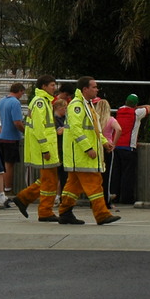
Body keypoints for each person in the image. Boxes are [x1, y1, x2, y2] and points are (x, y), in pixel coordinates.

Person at [57, 77, 120, 225]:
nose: (97, 89)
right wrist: (88, 148)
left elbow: (95, 130)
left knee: (73, 186)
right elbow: (76, 129)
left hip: (81, 156)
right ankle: (102, 214)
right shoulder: (77, 106)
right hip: (82, 155)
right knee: (94, 183)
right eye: (94, 87)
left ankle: (65, 212)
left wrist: (105, 143)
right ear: (85, 89)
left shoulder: (88, 105)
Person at [13, 74, 61, 222]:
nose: (55, 88)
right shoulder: (40, 102)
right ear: (44, 87)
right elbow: (39, 128)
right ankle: (44, 211)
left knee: (48, 179)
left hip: (47, 147)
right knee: (49, 180)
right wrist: (45, 149)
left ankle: (24, 198)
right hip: (45, 148)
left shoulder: (43, 101)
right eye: (52, 85)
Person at [111, 93, 150, 205]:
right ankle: (126, 198)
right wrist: (138, 107)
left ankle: (114, 196)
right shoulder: (137, 112)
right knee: (128, 174)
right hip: (129, 147)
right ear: (136, 104)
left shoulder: (119, 110)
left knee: (116, 173)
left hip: (116, 145)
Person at [0, 82, 26, 209]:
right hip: (11, 138)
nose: (22, 96)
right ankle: (8, 189)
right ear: (19, 91)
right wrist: (25, 131)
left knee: (1, 166)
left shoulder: (1, 101)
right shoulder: (15, 103)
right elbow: (17, 122)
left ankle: (1, 190)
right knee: (9, 164)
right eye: (22, 93)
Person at [93, 97, 120, 208]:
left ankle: (94, 200)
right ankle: (106, 201)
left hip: (97, 147)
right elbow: (119, 129)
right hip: (107, 147)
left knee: (96, 175)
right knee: (107, 175)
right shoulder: (111, 119)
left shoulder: (95, 119)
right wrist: (114, 143)